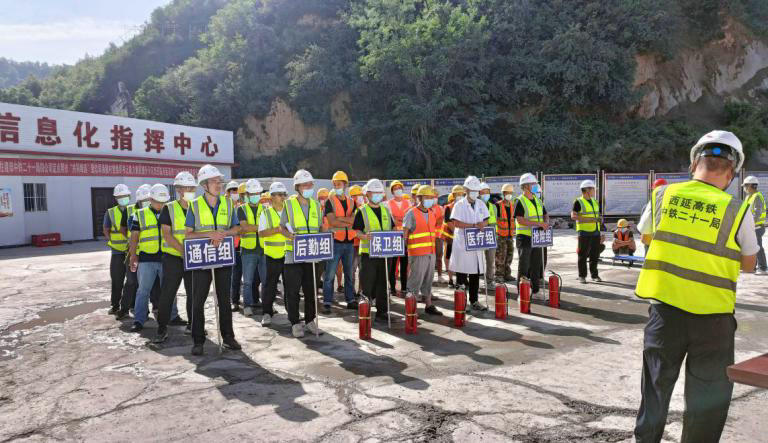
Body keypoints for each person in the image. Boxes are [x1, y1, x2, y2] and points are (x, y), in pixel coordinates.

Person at [633, 130, 758, 442]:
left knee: (655, 394)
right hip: (713, 323)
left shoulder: (662, 196)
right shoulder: (737, 209)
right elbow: (749, 263)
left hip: (665, 316)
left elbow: (646, 236)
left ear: (693, 164)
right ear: (732, 172)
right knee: (707, 403)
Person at [185, 164, 242, 355]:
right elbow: (188, 234)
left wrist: (223, 233)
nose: (218, 184)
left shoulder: (228, 204)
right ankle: (198, 340)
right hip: (202, 258)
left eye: (219, 181)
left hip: (223, 256)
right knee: (198, 300)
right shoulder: (194, 205)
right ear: (204, 185)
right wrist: (210, 234)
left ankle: (228, 337)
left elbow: (237, 229)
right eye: (214, 181)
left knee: (224, 300)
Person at [276, 170, 323, 338]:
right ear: (297, 187)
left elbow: (320, 228)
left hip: (312, 254)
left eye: (311, 184)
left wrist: (326, 235)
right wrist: (290, 236)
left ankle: (310, 320)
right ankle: (295, 323)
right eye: (305, 185)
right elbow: (281, 227)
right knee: (293, 291)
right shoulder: (289, 204)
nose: (309, 187)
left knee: (311, 290)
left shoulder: (316, 205)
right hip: (293, 255)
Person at [128, 184, 181, 332]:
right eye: (158, 201)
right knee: (143, 290)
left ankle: (173, 316)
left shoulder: (171, 212)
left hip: (167, 258)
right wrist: (133, 255)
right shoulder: (139, 214)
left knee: (170, 289)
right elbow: (134, 237)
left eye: (164, 201)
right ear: (150, 199)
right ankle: (139, 320)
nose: (161, 204)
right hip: (146, 259)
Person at [152, 172, 198, 343]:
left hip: (194, 257)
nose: (190, 190)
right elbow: (167, 235)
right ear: (178, 190)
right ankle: (162, 328)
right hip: (173, 258)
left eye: (192, 187)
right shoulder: (169, 208)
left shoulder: (198, 207)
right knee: (168, 293)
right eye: (186, 187)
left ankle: (193, 325)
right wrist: (183, 251)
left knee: (194, 293)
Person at [353, 179, 393, 322]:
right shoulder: (361, 211)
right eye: (374, 193)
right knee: (367, 284)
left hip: (385, 253)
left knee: (383, 283)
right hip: (368, 254)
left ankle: (382, 312)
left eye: (379, 193)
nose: (377, 195)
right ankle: (365, 313)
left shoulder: (385, 210)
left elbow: (393, 227)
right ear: (368, 194)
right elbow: (357, 231)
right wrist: (364, 236)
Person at [448, 176, 490, 312]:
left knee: (475, 274)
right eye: (472, 190)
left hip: (476, 243)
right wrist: (473, 225)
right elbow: (456, 222)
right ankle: (461, 302)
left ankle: (474, 300)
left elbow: (486, 219)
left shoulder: (481, 204)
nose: (475, 193)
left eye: (477, 190)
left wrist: (482, 224)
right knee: (461, 274)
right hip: (462, 244)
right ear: (466, 190)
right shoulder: (459, 205)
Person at [322, 171, 359, 313]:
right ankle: (327, 301)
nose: (337, 186)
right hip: (335, 242)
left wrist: (340, 219)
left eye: (339, 184)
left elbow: (355, 220)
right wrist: (348, 221)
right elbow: (332, 222)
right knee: (330, 274)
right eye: (335, 184)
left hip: (349, 242)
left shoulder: (352, 202)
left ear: (345, 185)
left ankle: (350, 300)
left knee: (349, 274)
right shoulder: (329, 202)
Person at [403, 185, 443, 315]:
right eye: (427, 197)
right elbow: (405, 233)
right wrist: (405, 249)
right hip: (417, 253)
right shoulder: (411, 213)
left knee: (428, 279)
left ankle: (428, 305)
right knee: (415, 280)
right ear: (420, 198)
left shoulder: (431, 213)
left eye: (432, 197)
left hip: (430, 252)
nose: (430, 200)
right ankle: (411, 308)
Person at [258, 182, 290, 328]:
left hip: (288, 254)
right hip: (272, 255)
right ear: (272, 197)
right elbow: (261, 233)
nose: (283, 197)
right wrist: (278, 230)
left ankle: (292, 313)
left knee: (290, 285)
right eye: (280, 195)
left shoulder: (289, 212)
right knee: (269, 286)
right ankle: (266, 313)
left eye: (284, 194)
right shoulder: (266, 213)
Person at [117, 184, 152, 319]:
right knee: (131, 281)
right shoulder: (129, 210)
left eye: (148, 200)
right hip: (133, 252)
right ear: (138, 200)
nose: (146, 202)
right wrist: (131, 239)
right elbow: (122, 228)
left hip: (147, 253)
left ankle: (145, 311)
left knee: (145, 284)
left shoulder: (152, 210)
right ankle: (124, 308)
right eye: (144, 200)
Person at [515, 173, 549, 296]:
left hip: (537, 236)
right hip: (524, 237)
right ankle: (522, 292)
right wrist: (539, 223)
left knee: (536, 265)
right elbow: (520, 220)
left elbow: (545, 214)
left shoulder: (538, 200)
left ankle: (535, 291)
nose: (535, 186)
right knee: (524, 266)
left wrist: (546, 222)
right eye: (533, 184)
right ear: (526, 186)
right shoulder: (520, 200)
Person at [238, 179, 267, 317]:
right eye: (252, 193)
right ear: (247, 194)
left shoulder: (265, 209)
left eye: (257, 193)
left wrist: (252, 228)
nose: (255, 195)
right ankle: (247, 306)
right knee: (248, 282)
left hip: (264, 249)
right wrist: (262, 228)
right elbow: (244, 227)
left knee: (266, 281)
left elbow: (251, 227)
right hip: (248, 250)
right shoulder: (241, 209)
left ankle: (267, 306)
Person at [104, 184, 131, 316]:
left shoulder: (134, 210)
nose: (122, 198)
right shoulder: (110, 212)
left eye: (125, 196)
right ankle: (115, 305)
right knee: (117, 280)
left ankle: (131, 305)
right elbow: (106, 230)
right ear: (116, 198)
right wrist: (113, 242)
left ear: (129, 196)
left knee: (132, 281)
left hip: (131, 251)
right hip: (117, 252)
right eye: (120, 196)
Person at [571, 179, 604, 284]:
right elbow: (573, 216)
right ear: (587, 190)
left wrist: (600, 221)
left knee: (595, 255)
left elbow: (597, 215)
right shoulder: (578, 201)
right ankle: (582, 276)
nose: (595, 191)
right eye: (593, 189)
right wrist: (591, 219)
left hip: (596, 231)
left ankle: (594, 275)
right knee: (583, 255)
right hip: (584, 232)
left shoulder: (595, 201)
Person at [387, 180, 410, 295]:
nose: (398, 190)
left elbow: (408, 220)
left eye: (399, 188)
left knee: (404, 265)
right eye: (395, 188)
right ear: (392, 191)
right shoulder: (388, 204)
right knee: (392, 265)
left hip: (405, 237)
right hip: (393, 238)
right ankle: (392, 288)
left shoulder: (408, 203)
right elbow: (391, 220)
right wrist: (401, 220)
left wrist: (397, 219)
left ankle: (404, 288)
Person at [225, 180, 244, 312]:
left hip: (238, 247)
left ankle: (234, 300)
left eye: (236, 191)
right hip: (226, 247)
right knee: (227, 276)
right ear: (227, 193)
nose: (235, 193)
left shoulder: (240, 207)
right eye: (232, 191)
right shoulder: (223, 207)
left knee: (236, 276)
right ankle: (228, 300)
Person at [743, 175, 767, 274]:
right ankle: (753, 267)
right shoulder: (749, 196)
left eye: (746, 185)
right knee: (752, 248)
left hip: (757, 227)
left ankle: (763, 268)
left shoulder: (757, 196)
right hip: (752, 226)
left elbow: (757, 213)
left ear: (751, 186)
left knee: (758, 247)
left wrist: (750, 224)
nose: (745, 188)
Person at [443, 185, 465, 287]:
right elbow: (448, 222)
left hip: (462, 238)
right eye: (457, 194)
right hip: (451, 239)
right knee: (449, 258)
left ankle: (462, 280)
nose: (459, 196)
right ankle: (451, 279)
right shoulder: (449, 207)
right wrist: (457, 232)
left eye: (461, 194)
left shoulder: (465, 206)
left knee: (461, 259)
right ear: (453, 195)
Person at [495, 183, 516, 282]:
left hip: (510, 235)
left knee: (509, 255)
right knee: (500, 256)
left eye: (511, 193)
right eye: (507, 193)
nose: (509, 195)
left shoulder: (512, 205)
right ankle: (499, 275)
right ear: (503, 193)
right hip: (500, 235)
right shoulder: (498, 205)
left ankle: (507, 274)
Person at [641, 178, 668, 256]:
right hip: (662, 240)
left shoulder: (647, 206)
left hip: (649, 240)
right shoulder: (668, 206)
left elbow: (643, 224)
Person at [479, 182, 496, 290]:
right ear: (479, 193)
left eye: (487, 192)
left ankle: (489, 281)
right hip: (479, 237)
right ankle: (476, 282)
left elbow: (495, 222)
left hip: (491, 237)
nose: (486, 194)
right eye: (483, 192)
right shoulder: (475, 205)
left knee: (490, 260)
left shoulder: (493, 206)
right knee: (478, 261)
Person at [349, 185, 365, 297]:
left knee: (363, 270)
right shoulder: (350, 210)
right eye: (356, 195)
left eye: (360, 195)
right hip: (352, 244)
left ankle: (361, 290)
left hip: (362, 244)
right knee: (351, 270)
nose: (359, 197)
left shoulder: (364, 209)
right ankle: (352, 291)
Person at [431, 188, 446, 285]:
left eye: (436, 196)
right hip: (428, 237)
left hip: (438, 236)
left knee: (439, 258)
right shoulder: (426, 208)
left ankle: (440, 276)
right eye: (433, 196)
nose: (435, 198)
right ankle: (430, 277)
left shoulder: (440, 208)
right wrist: (436, 221)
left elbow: (440, 222)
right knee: (430, 259)